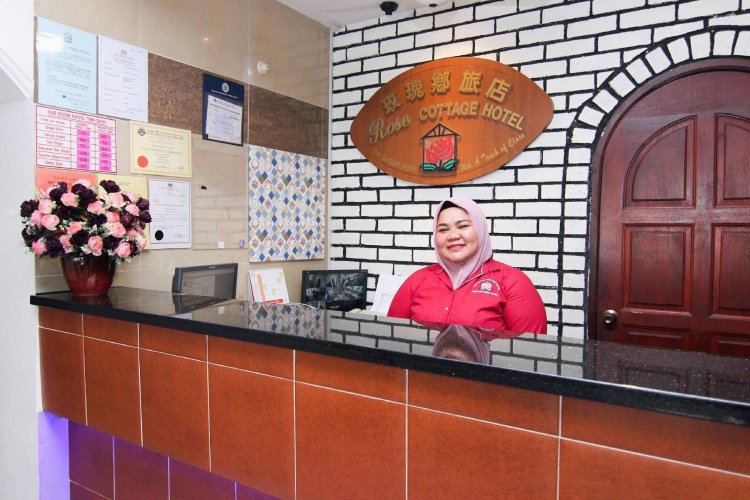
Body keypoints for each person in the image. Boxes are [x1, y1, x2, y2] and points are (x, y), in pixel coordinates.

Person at [388, 196, 547, 333]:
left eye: (463, 226)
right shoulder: (417, 280)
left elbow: (529, 350)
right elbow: (392, 336)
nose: (452, 236)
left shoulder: (513, 282)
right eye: (443, 230)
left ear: (480, 230)